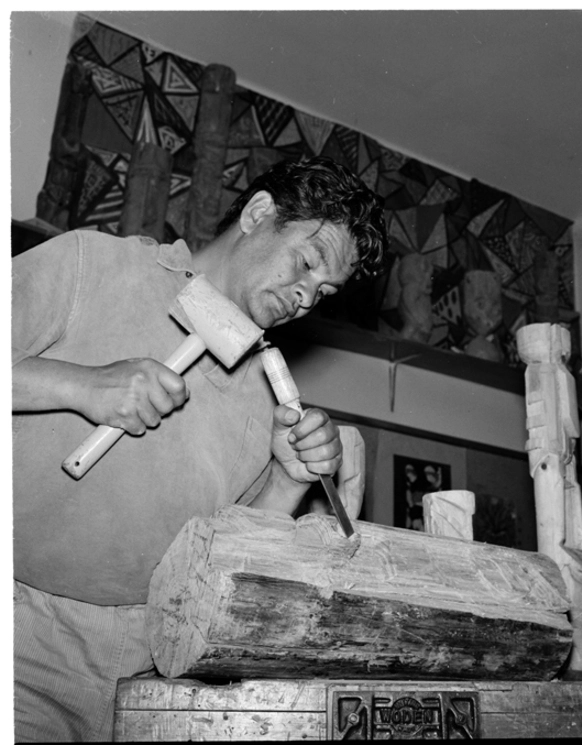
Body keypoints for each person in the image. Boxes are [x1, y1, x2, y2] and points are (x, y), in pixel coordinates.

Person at [12, 155, 387, 742]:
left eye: (324, 290)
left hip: (157, 672)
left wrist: (287, 480)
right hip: (22, 640)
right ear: (259, 213)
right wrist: (82, 384)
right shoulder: (94, 264)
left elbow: (223, 563)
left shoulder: (270, 390)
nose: (305, 297)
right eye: (307, 263)